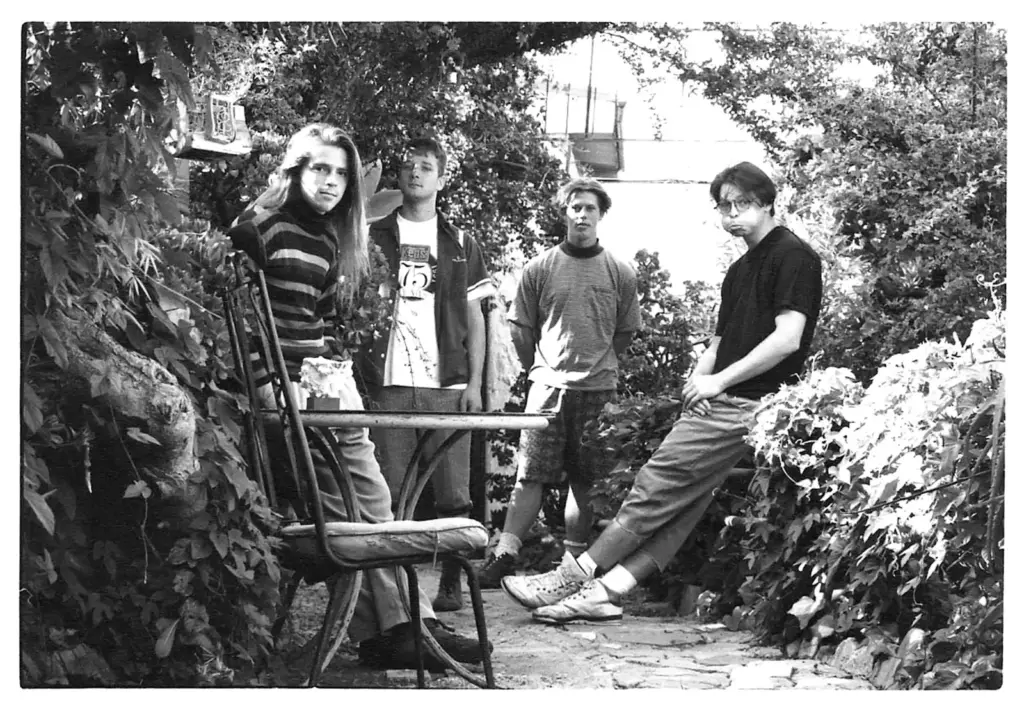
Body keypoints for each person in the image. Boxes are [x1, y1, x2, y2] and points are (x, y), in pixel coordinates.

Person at [501, 161, 823, 624]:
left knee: (654, 486)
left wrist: (719, 382)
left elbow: (788, 337)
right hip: (722, 398)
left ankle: (575, 574)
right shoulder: (740, 269)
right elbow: (720, 341)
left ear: (769, 203)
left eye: (744, 203)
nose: (733, 213)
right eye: (724, 205)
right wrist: (698, 379)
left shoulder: (793, 256)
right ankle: (606, 592)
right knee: (686, 505)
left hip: (750, 401)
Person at [228, 123, 484, 669]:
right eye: (320, 168)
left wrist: (334, 376)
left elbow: (318, 323)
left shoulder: (327, 239)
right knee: (349, 511)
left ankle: (407, 624)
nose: (332, 182)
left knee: (376, 503)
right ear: (295, 169)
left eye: (342, 174)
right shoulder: (257, 229)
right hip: (280, 395)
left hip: (323, 386)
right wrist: (272, 388)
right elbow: (242, 326)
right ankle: (399, 629)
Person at [479, 178, 642, 589]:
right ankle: (504, 555)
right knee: (530, 474)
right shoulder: (540, 267)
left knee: (585, 479)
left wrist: (597, 364)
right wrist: (541, 368)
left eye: (590, 208)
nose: (582, 215)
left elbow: (624, 332)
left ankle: (573, 564)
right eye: (575, 207)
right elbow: (521, 328)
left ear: (601, 215)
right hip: (547, 389)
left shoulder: (620, 271)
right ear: (565, 212)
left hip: (598, 391)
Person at [361, 137, 494, 613]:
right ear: (398, 177)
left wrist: (475, 383)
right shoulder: (373, 236)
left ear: (441, 178)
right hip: (388, 381)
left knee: (453, 493)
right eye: (408, 166)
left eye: (425, 166)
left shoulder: (460, 242)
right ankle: (401, 592)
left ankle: (453, 581)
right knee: (392, 493)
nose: (415, 173)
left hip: (448, 384)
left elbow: (477, 317)